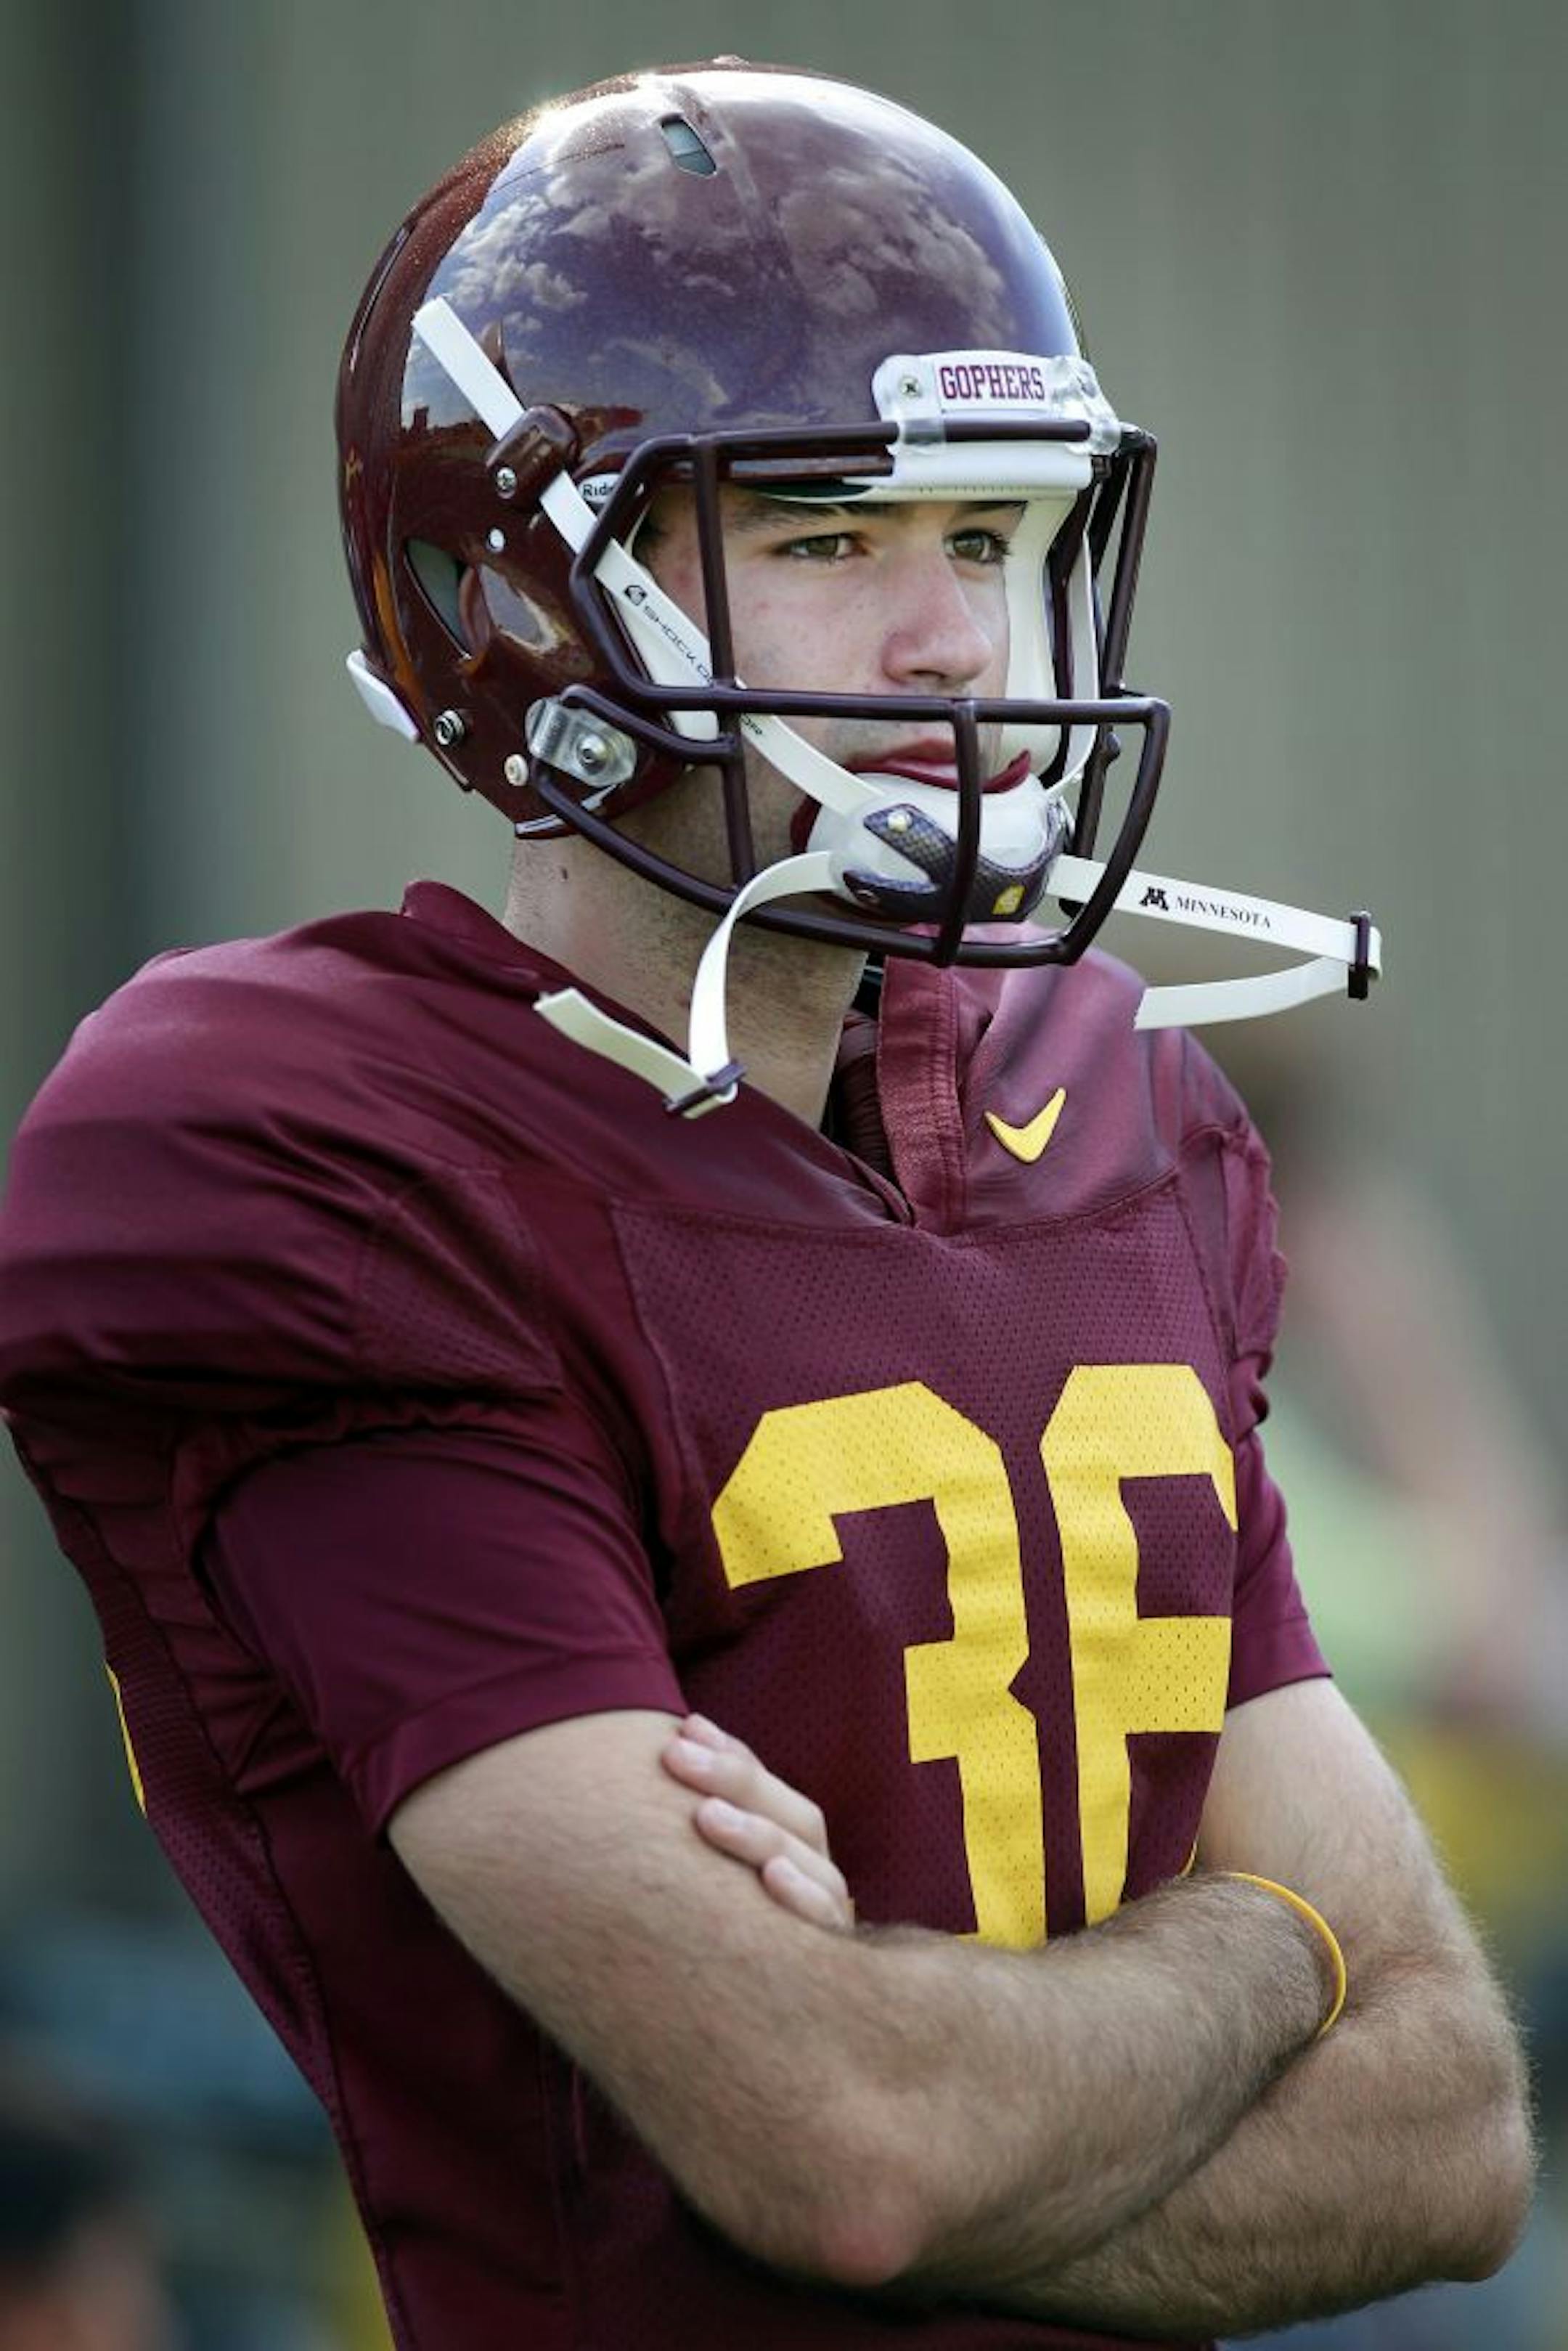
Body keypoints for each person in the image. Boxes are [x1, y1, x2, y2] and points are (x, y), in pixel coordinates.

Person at [0, 58, 1531, 2351]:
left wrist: (975, 2068)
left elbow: (1452, 2135)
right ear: (514, 602)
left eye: (990, 542)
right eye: (830, 540)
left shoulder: (1125, 1103)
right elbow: (846, 2152)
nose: (953, 646)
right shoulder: (302, 1152)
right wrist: (1273, 1947)